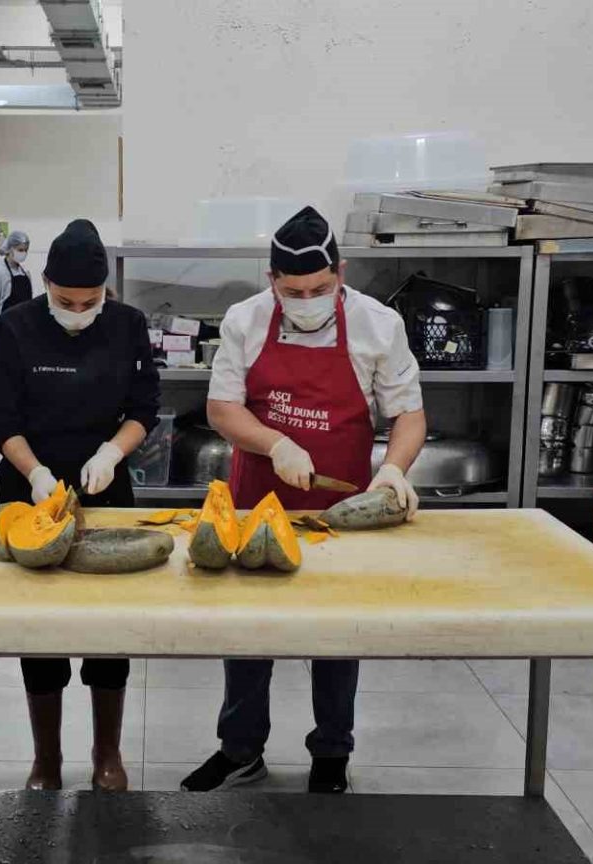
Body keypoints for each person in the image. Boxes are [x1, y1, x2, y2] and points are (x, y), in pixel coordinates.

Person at [181, 205, 426, 796]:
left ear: (340, 273)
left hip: (340, 510)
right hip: (256, 499)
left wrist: (393, 470)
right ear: (272, 280)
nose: (308, 300)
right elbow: (222, 409)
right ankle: (240, 750)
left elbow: (409, 414)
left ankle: (332, 753)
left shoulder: (378, 324)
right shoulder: (245, 320)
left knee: (338, 634)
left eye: (320, 289)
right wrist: (276, 443)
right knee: (247, 631)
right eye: (293, 292)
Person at [0, 218, 160, 792]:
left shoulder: (128, 325)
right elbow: (0, 419)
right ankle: (47, 760)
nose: (79, 312)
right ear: (45, 284)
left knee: (109, 628)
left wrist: (113, 452)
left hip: (106, 489)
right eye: (65, 302)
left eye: (90, 302)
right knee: (39, 630)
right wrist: (34, 473)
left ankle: (107, 755)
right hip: (29, 486)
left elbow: (144, 408)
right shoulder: (14, 328)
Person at [0, 229, 32, 321]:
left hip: (23, 324)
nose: (24, 253)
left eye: (26, 250)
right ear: (10, 249)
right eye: (20, 250)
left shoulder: (25, 273)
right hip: (6, 325)